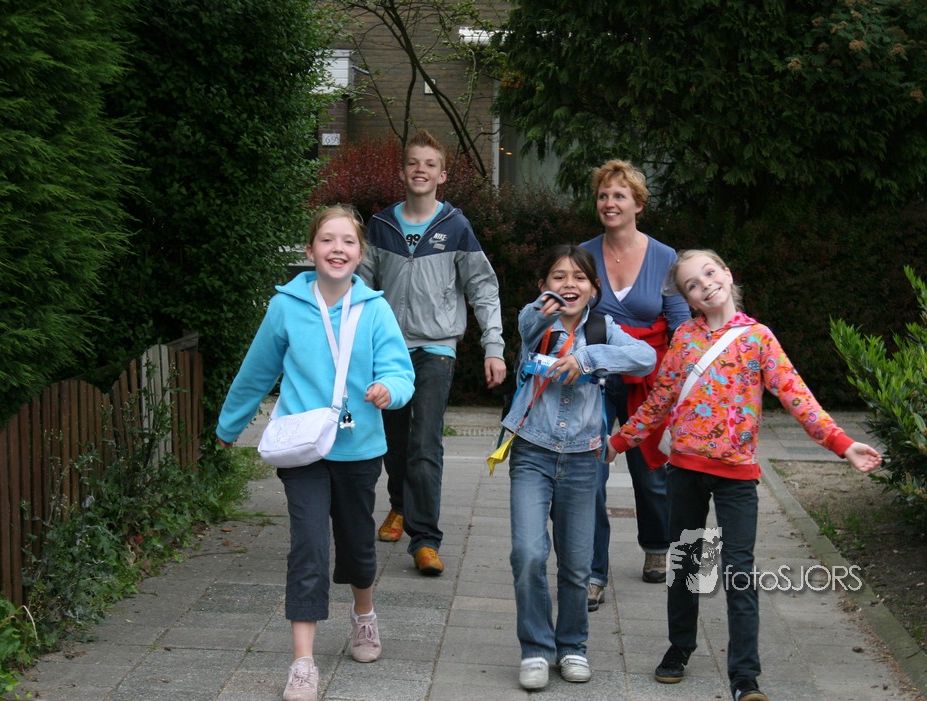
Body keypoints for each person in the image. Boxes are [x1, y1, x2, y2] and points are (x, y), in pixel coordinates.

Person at [606, 249, 882, 701]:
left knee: (738, 570)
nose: (705, 285)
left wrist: (841, 443)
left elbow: (797, 396)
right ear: (688, 300)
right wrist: (619, 442)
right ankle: (680, 645)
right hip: (686, 471)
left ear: (728, 274)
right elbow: (658, 401)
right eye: (692, 284)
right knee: (688, 562)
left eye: (709, 273)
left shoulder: (758, 338)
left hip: (737, 475)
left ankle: (745, 675)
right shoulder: (684, 338)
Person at [215, 206, 416, 701]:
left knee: (357, 544)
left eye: (347, 241)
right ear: (310, 251)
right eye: (327, 240)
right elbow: (257, 371)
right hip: (302, 447)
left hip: (359, 448)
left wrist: (389, 389)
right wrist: (228, 426)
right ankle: (302, 661)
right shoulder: (286, 307)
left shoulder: (374, 310)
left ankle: (363, 614)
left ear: (360, 254)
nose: (337, 249)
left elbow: (401, 371)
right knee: (307, 546)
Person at [503, 244, 656, 691]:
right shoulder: (535, 320)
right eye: (558, 276)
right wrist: (544, 310)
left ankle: (572, 646)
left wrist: (590, 357)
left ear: (594, 288)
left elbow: (645, 358)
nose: (568, 285)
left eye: (579, 278)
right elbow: (528, 324)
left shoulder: (604, 329)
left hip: (585, 457)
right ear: (542, 285)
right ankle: (535, 649)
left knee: (576, 565)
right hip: (532, 451)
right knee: (528, 553)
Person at [358, 129, 507, 576]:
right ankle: (401, 505)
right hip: (387, 350)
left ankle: (424, 539)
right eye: (413, 163)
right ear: (402, 171)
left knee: (424, 441)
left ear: (442, 175)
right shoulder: (380, 225)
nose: (420, 170)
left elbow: (483, 288)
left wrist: (493, 346)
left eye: (429, 164)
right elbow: (361, 287)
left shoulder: (456, 227)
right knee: (395, 441)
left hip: (436, 348)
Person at [580, 159, 690, 607]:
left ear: (638, 204)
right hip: (596, 376)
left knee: (652, 472)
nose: (610, 203)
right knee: (591, 471)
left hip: (651, 376)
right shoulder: (583, 255)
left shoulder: (665, 258)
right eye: (603, 195)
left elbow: (680, 324)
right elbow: (571, 310)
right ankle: (592, 572)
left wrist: (679, 383)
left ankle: (658, 546)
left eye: (619, 195)